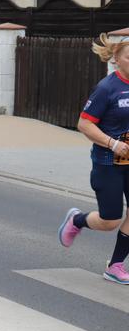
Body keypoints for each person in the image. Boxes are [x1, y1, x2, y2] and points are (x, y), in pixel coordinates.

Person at [58, 34, 129, 285]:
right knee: (110, 221)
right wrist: (113, 143)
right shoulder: (106, 89)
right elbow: (84, 124)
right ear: (116, 60)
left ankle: (116, 265)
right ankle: (77, 219)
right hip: (108, 163)